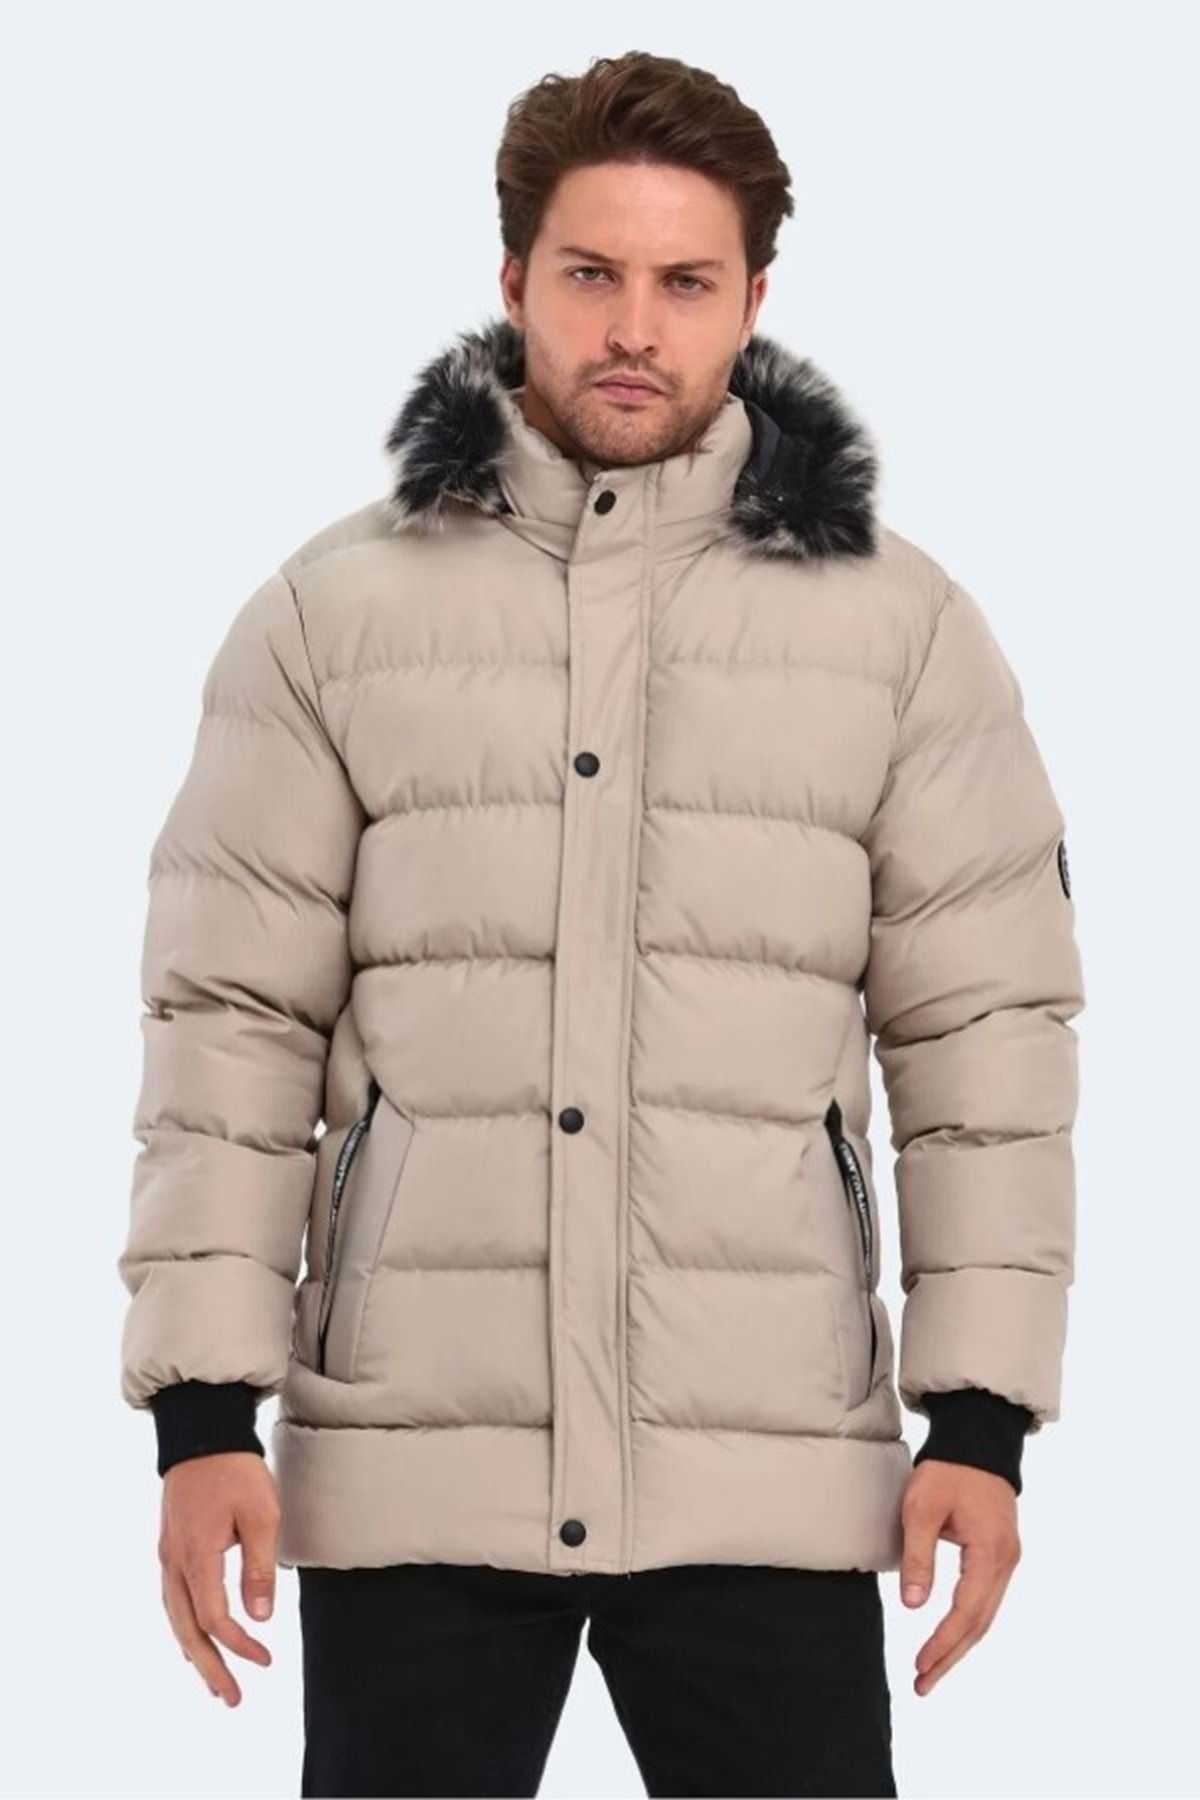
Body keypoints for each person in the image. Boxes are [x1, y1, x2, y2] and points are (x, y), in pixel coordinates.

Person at [116, 48, 1085, 1800]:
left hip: (767, 1463)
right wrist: (200, 1420)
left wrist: (982, 1421)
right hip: (418, 1458)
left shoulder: (904, 635)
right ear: (513, 280)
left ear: (754, 301)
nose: (635, 328)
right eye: (591, 273)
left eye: (685, 282)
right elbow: (228, 1026)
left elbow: (986, 1043)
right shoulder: (332, 619)